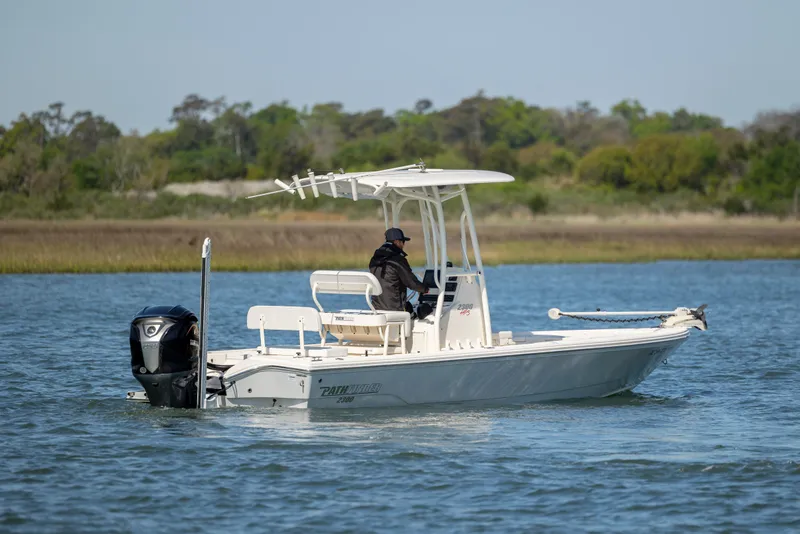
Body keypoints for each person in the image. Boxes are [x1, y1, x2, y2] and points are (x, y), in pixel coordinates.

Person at [369, 228, 429, 312]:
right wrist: (426, 289)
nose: (403, 245)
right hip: (395, 309)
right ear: (397, 242)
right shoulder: (397, 260)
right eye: (403, 242)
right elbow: (411, 283)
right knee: (426, 309)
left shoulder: (374, 259)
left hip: (376, 308)